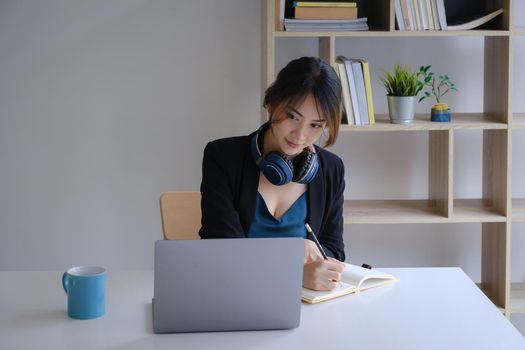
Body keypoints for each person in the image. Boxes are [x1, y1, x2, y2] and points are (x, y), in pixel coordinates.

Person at [199, 56, 346, 291]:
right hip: (233, 292)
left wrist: (317, 267)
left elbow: (334, 250)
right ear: (271, 103)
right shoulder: (223, 157)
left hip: (304, 303)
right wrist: (292, 263)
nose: (300, 135)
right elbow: (221, 249)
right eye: (292, 117)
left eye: (315, 125)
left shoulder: (331, 169)